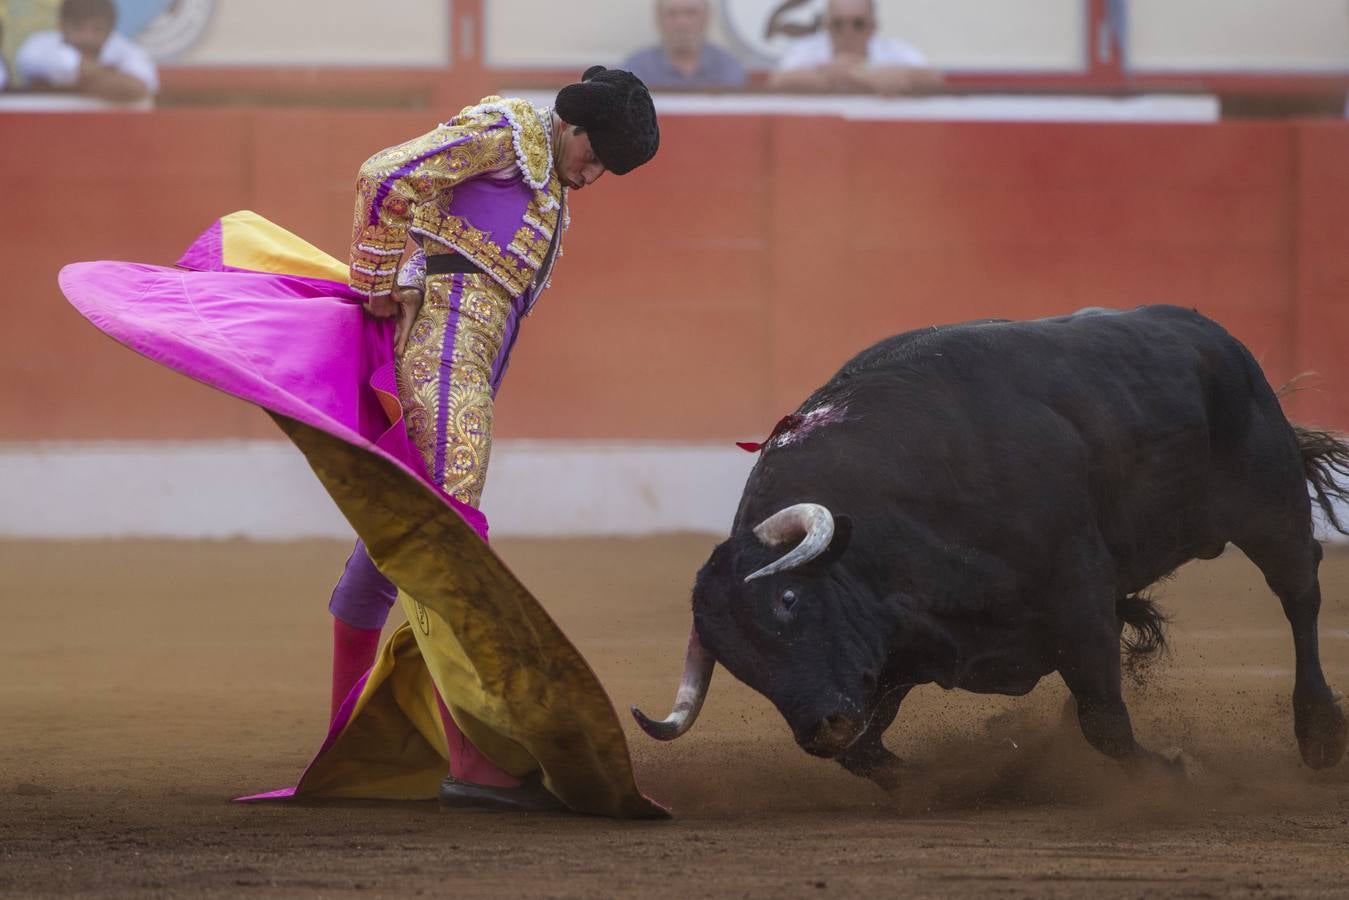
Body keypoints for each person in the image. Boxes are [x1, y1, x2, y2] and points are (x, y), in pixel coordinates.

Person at [768, 0, 941, 95]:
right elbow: (778, 81)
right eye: (838, 24)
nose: (847, 31)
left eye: (858, 24)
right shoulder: (808, 49)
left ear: (873, 27)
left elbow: (932, 79)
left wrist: (839, 75)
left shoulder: (890, 49)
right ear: (827, 26)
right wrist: (865, 76)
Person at [15, 0, 158, 102]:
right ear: (61, 27)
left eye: (97, 29)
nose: (87, 37)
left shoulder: (126, 50)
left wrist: (68, 84)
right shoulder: (37, 46)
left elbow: (139, 88)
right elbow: (73, 69)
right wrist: (111, 76)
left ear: (110, 32)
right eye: (78, 27)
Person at [621, 0, 746, 89]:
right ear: (658, 19)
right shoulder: (637, 68)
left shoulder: (728, 67)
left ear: (707, 17)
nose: (682, 23)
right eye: (672, 14)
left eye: (691, 13)